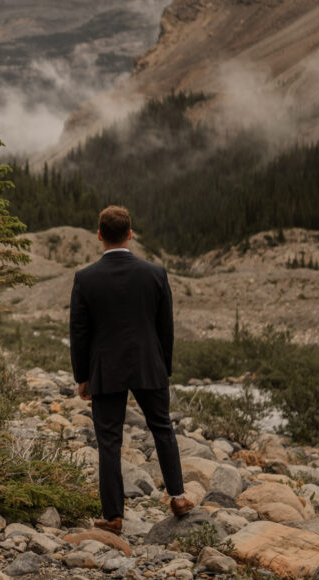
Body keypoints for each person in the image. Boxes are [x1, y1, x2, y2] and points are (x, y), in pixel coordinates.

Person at [69, 206, 192, 534]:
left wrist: (82, 376)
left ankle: (113, 517)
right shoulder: (155, 273)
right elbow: (166, 327)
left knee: (109, 441)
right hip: (148, 364)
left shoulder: (85, 278)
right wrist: (163, 367)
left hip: (105, 369)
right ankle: (178, 497)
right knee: (162, 428)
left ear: (99, 235)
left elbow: (79, 332)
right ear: (130, 234)